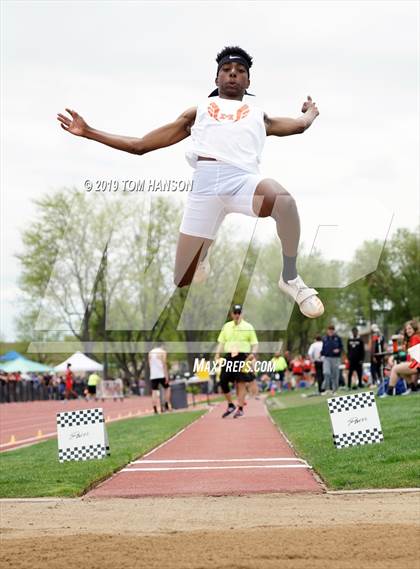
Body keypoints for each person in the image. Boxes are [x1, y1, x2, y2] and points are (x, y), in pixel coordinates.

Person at [57, 46, 324, 319]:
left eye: (240, 71)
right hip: (205, 191)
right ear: (216, 78)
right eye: (226, 70)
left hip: (243, 182)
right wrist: (88, 132)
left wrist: (311, 112)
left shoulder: (259, 116)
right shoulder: (199, 112)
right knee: (183, 278)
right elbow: (139, 146)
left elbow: (299, 125)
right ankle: (202, 253)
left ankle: (290, 277)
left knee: (284, 201)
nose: (233, 75)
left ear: (248, 81)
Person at [215, 304, 258, 418]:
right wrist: (217, 354)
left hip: (243, 357)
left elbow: (255, 344)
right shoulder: (226, 326)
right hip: (229, 356)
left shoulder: (248, 327)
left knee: (241, 382)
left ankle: (240, 408)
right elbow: (221, 342)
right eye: (235, 312)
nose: (237, 315)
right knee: (223, 380)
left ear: (242, 314)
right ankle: (230, 405)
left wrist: (253, 354)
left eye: (239, 312)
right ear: (232, 314)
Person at [380, 320, 420, 397]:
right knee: (400, 371)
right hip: (416, 364)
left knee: (395, 368)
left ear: (414, 328)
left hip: (417, 364)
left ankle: (389, 392)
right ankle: (413, 388)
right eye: (406, 329)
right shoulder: (412, 338)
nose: (408, 331)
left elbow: (413, 356)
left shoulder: (415, 337)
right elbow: (394, 338)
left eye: (410, 328)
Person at [148, 343, 171, 414]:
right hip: (161, 374)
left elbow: (149, 365)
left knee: (154, 391)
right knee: (167, 388)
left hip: (153, 375)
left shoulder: (150, 353)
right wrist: (166, 375)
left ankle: (155, 408)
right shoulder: (163, 352)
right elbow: (164, 364)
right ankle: (166, 404)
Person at [321, 325, 343, 394]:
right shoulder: (324, 338)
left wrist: (338, 350)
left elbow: (341, 347)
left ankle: (335, 390)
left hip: (335, 358)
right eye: (329, 329)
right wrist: (321, 354)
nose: (330, 331)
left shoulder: (337, 338)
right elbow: (323, 348)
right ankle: (327, 389)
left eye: (332, 330)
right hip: (327, 358)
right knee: (326, 372)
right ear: (327, 331)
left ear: (334, 331)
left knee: (335, 375)